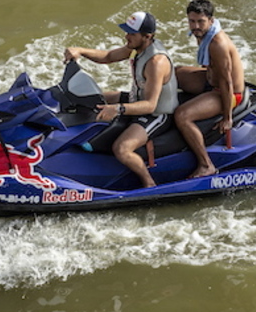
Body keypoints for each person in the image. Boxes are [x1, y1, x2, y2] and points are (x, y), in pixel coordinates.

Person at [64, 11, 178, 187]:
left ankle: (149, 184)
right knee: (96, 99)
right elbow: (109, 57)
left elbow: (150, 105)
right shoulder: (137, 47)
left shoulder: (156, 63)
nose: (126, 36)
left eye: (131, 33)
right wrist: (80, 50)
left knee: (122, 148)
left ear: (147, 36)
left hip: (157, 114)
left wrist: (117, 108)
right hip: (136, 99)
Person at [174, 0, 246, 178]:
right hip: (211, 80)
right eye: (192, 21)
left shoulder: (217, 44)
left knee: (182, 116)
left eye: (200, 21)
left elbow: (227, 81)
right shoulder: (202, 34)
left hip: (228, 93)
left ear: (211, 21)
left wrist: (227, 117)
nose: (195, 26)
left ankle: (206, 165)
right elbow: (210, 67)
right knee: (173, 73)